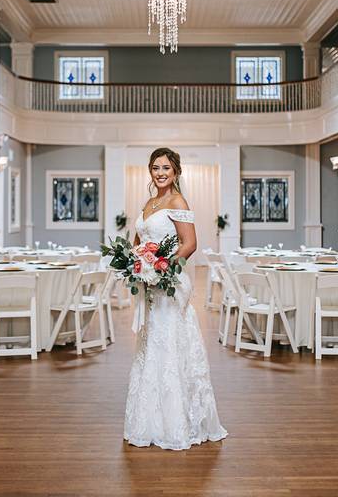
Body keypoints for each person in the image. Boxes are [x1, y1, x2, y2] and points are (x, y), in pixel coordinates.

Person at [124, 147, 227, 450]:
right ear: (150, 171)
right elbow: (139, 241)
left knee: (169, 343)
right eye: (155, 168)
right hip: (148, 283)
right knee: (150, 345)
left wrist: (161, 266)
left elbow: (190, 243)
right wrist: (135, 260)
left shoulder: (177, 201)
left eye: (166, 168)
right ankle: (150, 419)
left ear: (176, 172)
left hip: (168, 282)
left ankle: (178, 420)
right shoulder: (148, 202)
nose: (160, 173)